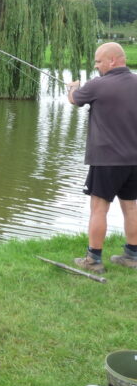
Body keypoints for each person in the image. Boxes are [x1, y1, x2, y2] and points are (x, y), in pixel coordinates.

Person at [67, 41, 137, 273]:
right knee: (131, 207)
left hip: (107, 160)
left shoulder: (98, 85)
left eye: (98, 61)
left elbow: (75, 100)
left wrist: (72, 87)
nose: (96, 66)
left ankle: (93, 260)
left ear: (112, 60)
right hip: (133, 160)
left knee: (99, 208)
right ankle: (132, 256)